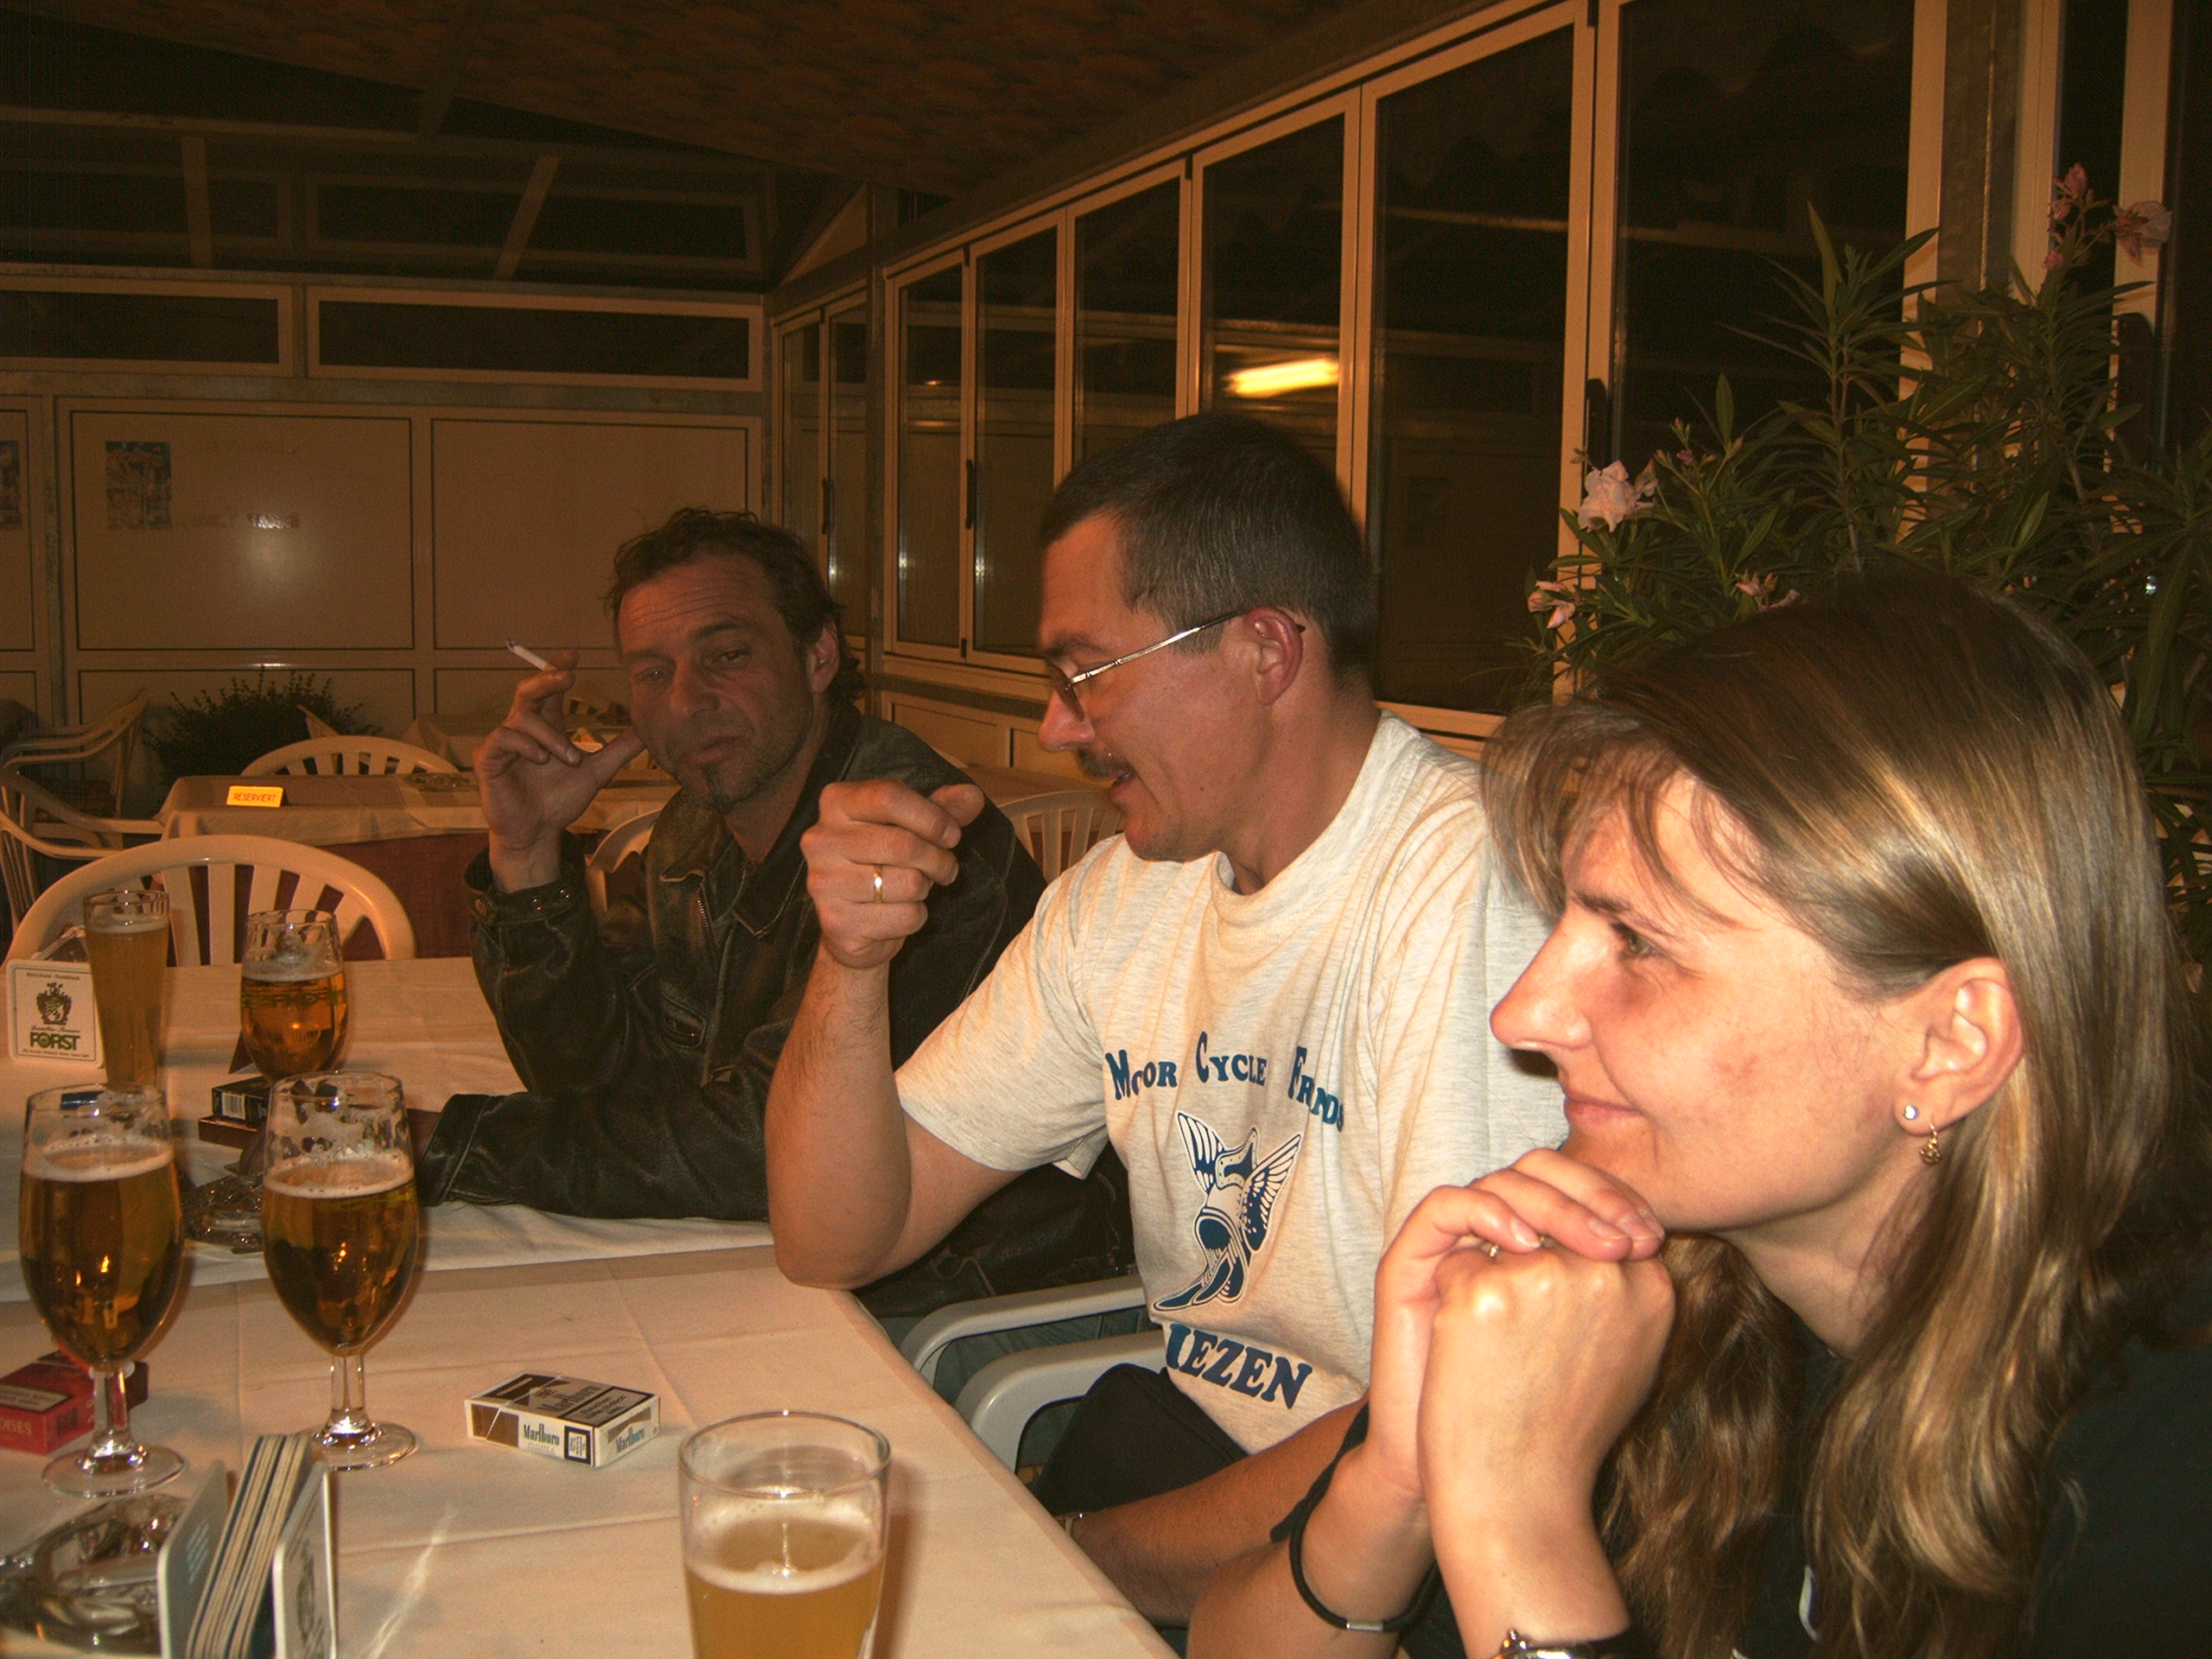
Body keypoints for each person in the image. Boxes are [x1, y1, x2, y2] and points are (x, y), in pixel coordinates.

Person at [1189, 575, 2212, 1659]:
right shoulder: (1625, 1286)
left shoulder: (2166, 1456)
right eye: (1567, 919)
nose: (1522, 1014)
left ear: (1948, 1044)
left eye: (1639, 942)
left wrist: (1517, 1522)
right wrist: (1399, 1474)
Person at [766, 412, 1568, 1625]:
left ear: (1264, 650)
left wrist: (1069, 1559)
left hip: (1405, 1565)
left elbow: (1461, 1425)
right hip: (1199, 1473)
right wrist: (851, 958)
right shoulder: (1124, 900)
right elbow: (835, 1236)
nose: (1058, 726)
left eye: (1085, 673)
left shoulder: (1470, 893)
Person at [414, 507, 1133, 1322]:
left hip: (960, 1302)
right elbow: (594, 1078)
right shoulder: (693, 831)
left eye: (727, 656)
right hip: (777, 1261)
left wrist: (452, 1143)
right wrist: (527, 859)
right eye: (651, 672)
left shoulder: (917, 842)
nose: (686, 700)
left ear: (819, 656)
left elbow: (756, 1147)